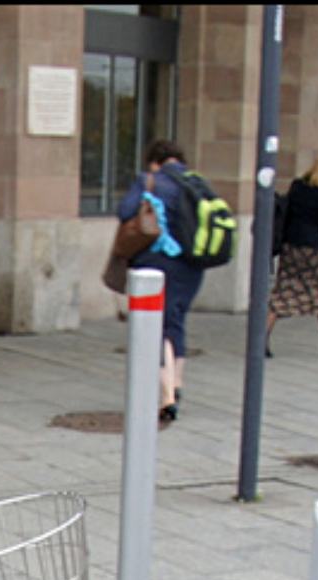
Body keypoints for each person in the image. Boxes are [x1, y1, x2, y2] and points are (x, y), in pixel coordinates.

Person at [118, 141, 207, 421]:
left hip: (158, 262)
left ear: (155, 162)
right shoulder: (197, 183)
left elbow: (125, 211)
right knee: (176, 320)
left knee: (157, 327)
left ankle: (167, 396)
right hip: (193, 264)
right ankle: (177, 380)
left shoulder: (150, 181)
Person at [267, 149, 318, 358]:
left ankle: (261, 339)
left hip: (290, 246)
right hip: (311, 249)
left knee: (282, 293)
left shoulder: (298, 185)